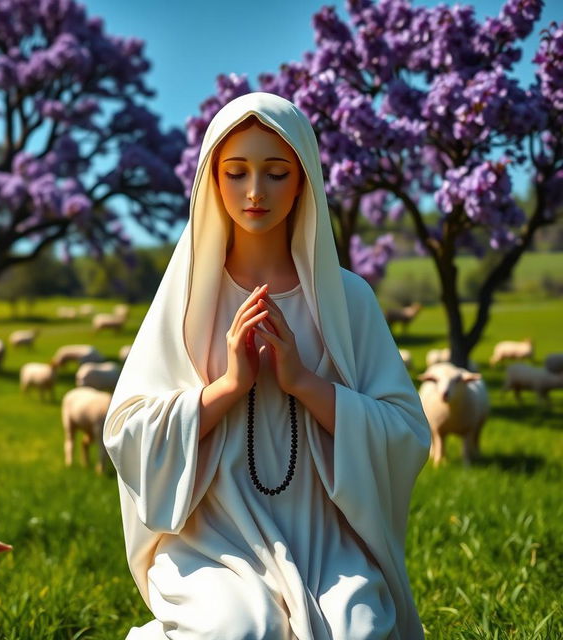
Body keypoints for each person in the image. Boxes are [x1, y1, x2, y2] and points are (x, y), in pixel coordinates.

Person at [104, 92, 430, 640]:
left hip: (326, 534)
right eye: (236, 172)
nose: (255, 192)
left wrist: (304, 382)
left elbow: (406, 432)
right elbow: (127, 432)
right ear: (213, 181)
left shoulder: (348, 299)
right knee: (242, 628)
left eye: (277, 173)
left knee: (357, 632)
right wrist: (228, 387)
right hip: (212, 537)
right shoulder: (187, 298)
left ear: (304, 180)